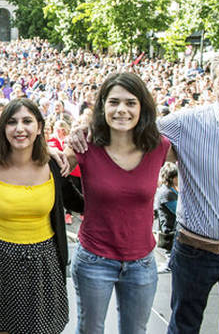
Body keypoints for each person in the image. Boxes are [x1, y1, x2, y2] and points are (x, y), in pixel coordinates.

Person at [64, 72, 173, 334]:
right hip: (93, 260)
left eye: (130, 102)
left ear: (142, 107)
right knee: (90, 330)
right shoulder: (84, 145)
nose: (121, 110)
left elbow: (200, 160)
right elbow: (49, 168)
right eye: (114, 102)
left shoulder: (159, 146)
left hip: (142, 263)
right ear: (102, 107)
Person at [0, 98, 83, 334]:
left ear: (39, 127)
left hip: (43, 264)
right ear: (3, 129)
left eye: (27, 121)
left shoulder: (53, 167)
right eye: (12, 122)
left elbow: (81, 204)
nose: (20, 128)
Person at [160, 47, 219, 334]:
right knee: (183, 328)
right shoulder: (184, 123)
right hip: (195, 252)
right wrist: (80, 133)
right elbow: (126, 133)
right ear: (210, 84)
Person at [154, 162, 178, 254]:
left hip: (171, 230)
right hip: (169, 231)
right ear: (173, 178)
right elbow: (178, 211)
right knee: (169, 261)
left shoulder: (169, 190)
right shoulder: (167, 193)